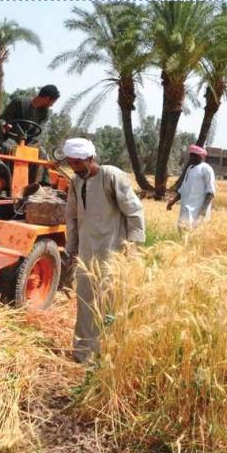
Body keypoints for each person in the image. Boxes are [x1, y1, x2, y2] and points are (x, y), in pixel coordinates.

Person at [64, 137, 145, 363]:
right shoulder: (75, 182)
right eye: (71, 163)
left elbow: (134, 212)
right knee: (85, 303)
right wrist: (71, 248)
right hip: (86, 254)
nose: (74, 168)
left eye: (78, 163)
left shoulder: (111, 176)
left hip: (113, 251)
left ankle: (108, 353)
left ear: (90, 158)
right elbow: (71, 216)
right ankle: (83, 354)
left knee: (109, 303)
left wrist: (133, 248)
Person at [166, 144, 216, 230]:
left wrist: (203, 210)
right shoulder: (190, 168)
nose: (192, 158)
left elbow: (210, 192)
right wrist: (173, 202)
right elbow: (183, 189)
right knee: (182, 232)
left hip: (198, 211)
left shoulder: (206, 169)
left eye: (194, 156)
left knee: (195, 235)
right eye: (191, 155)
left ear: (201, 156)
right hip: (186, 208)